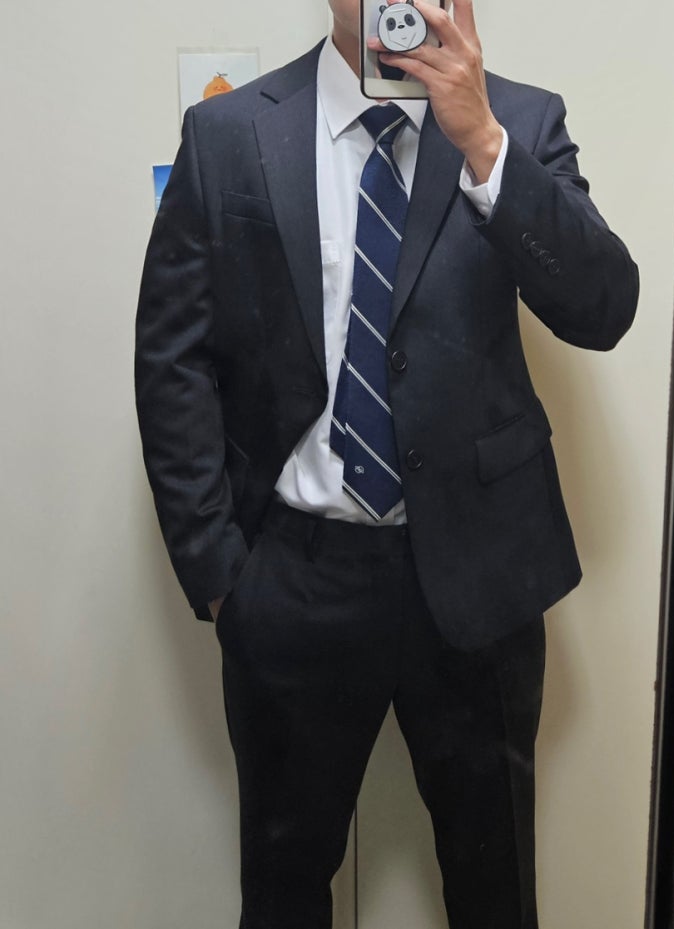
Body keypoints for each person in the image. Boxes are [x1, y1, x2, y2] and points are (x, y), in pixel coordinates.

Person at [135, 1, 639, 926]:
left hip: (481, 577)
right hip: (292, 579)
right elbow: (173, 360)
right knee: (283, 892)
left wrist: (483, 145)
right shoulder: (227, 132)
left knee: (495, 891)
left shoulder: (518, 121)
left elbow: (603, 308)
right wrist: (221, 575)